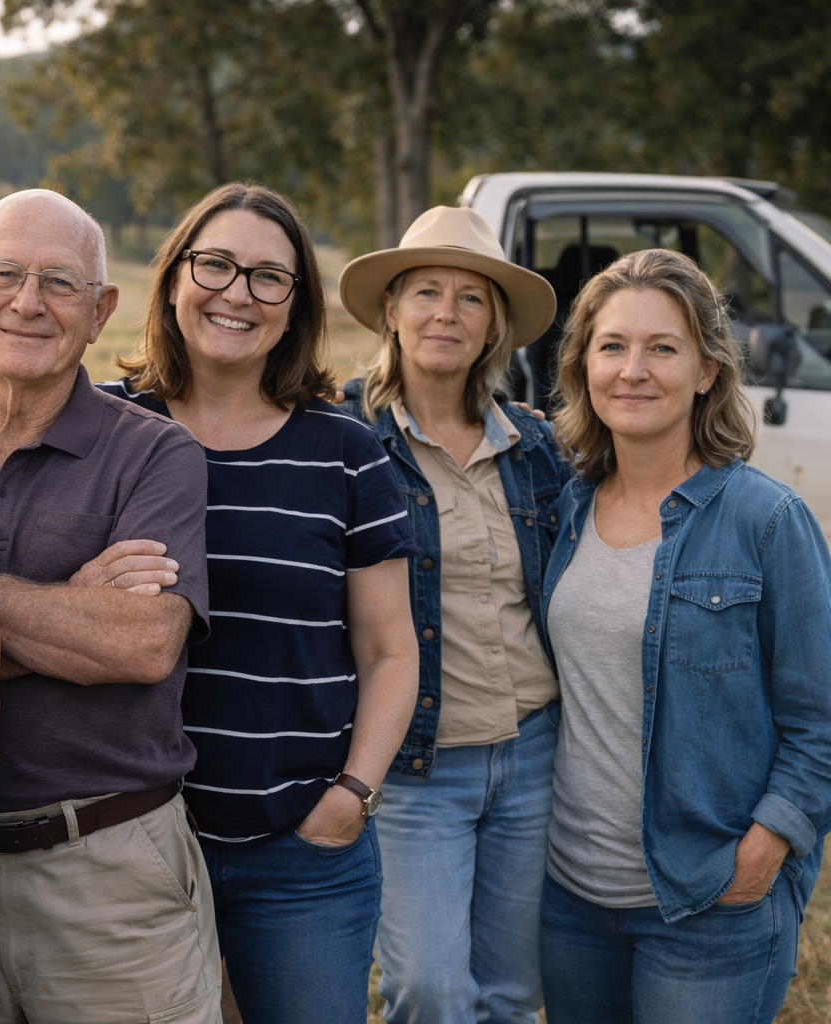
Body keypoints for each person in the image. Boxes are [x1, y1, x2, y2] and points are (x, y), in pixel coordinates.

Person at [100, 183, 419, 1023]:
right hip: (130, 848)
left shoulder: (344, 451)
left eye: (268, 277)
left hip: (299, 855)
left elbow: (391, 649)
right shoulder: (104, 427)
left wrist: (350, 795)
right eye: (215, 264)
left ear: (295, 308)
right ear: (173, 280)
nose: (237, 293)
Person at [0, 188, 220, 1023]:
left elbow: (140, 646)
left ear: (101, 312)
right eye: (4, 274)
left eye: (59, 282)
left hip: (110, 873)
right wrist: (64, 612)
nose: (26, 302)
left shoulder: (157, 454)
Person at [538, 249, 831, 1022]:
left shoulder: (766, 521)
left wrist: (766, 845)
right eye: (612, 346)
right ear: (583, 366)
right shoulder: (562, 510)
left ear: (706, 371)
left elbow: (820, 718)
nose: (633, 370)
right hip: (570, 899)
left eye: (662, 348)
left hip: (709, 902)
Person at [329, 206, 569, 1024]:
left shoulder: (535, 446)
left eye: (472, 299)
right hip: (417, 766)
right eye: (426, 291)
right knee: (429, 989)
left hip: (532, 753)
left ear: (494, 326)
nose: (446, 313)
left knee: (511, 992)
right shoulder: (345, 437)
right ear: (392, 309)